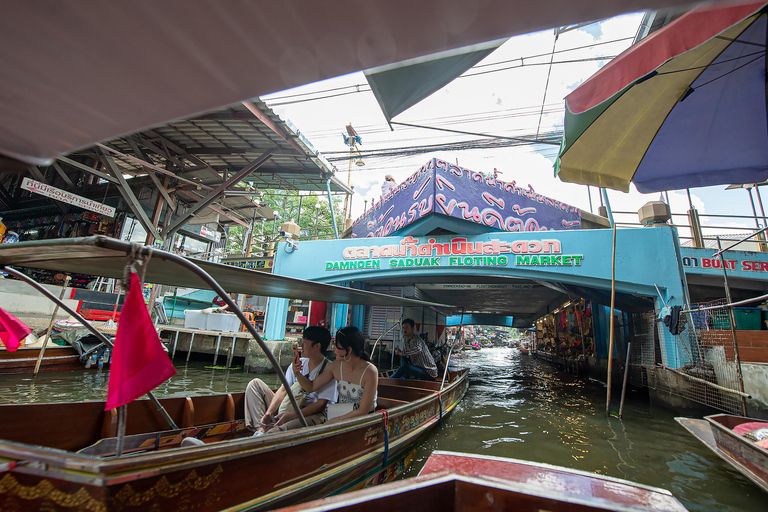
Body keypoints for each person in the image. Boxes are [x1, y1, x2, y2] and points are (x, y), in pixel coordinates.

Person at [244, 326, 337, 434]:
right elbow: (284, 390)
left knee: (282, 429)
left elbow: (320, 404)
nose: (301, 346)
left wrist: (292, 415)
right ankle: (260, 428)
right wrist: (269, 412)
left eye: (305, 343)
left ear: (317, 346)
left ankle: (267, 435)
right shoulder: (299, 363)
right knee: (255, 384)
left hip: (311, 414)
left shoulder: (329, 369)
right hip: (288, 405)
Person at [294, 326, 378, 422]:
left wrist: (336, 420)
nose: (334, 349)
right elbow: (311, 387)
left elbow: (363, 410)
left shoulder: (370, 371)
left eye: (337, 347)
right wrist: (297, 373)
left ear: (349, 350)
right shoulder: (336, 366)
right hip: (341, 415)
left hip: (363, 420)